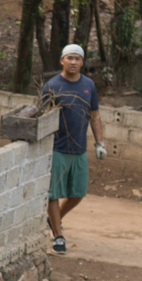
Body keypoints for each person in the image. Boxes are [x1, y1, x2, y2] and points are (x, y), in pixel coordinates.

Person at [41, 44, 105, 254]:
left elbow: (94, 115)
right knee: (53, 193)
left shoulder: (88, 85)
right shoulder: (52, 85)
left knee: (78, 192)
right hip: (57, 148)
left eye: (77, 59)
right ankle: (58, 236)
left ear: (82, 62)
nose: (73, 62)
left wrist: (99, 143)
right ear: (62, 60)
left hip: (79, 149)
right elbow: (42, 117)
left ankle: (54, 219)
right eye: (70, 58)